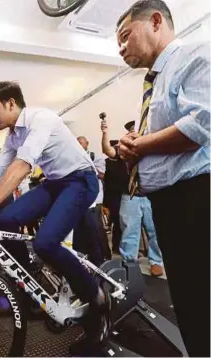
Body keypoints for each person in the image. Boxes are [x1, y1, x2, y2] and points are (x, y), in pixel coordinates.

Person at [0, 81, 109, 353]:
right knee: (6, 220)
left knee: (45, 243)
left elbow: (22, 166)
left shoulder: (41, 119)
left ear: (11, 103)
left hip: (80, 181)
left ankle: (95, 300)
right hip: (54, 182)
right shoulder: (13, 136)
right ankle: (29, 281)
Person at [116, 1, 210, 356]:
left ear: (156, 21)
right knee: (187, 299)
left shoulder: (194, 55)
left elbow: (199, 125)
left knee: (201, 297)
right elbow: (155, 137)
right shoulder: (153, 82)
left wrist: (139, 146)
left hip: (195, 197)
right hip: (168, 201)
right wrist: (131, 145)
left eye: (125, 37)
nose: (121, 49)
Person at [102, 119, 164, 276]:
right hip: (129, 196)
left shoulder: (152, 145)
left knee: (155, 230)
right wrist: (104, 133)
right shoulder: (123, 149)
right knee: (130, 231)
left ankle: (156, 261)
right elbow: (108, 151)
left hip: (151, 194)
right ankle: (130, 263)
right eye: (131, 132)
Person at [74, 136, 110, 265]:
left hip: (96, 199)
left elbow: (104, 175)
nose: (79, 146)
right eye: (77, 143)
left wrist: (89, 168)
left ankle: (104, 257)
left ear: (87, 144)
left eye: (81, 143)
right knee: (83, 229)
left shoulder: (96, 157)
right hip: (80, 200)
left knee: (97, 229)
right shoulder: (73, 159)